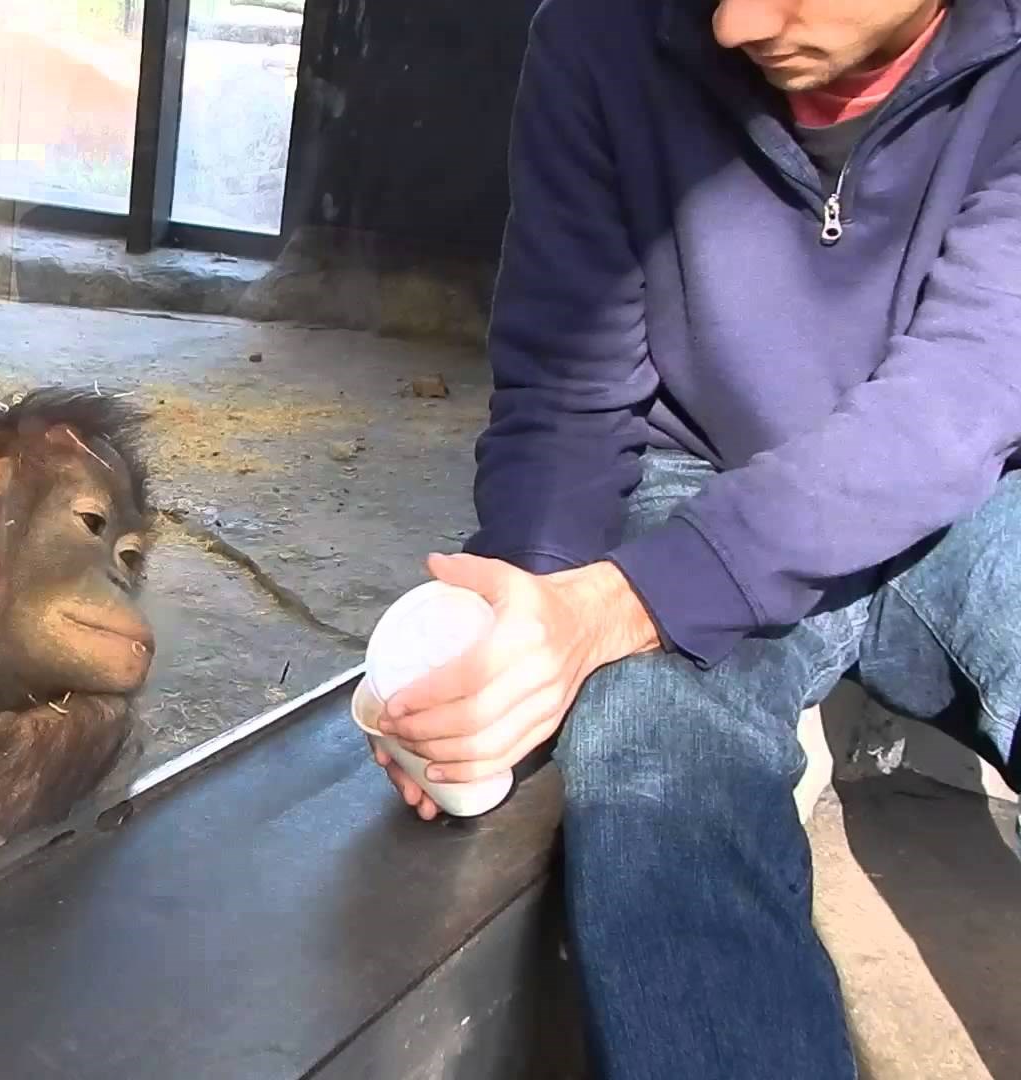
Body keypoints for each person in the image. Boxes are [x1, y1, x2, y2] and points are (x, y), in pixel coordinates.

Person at [351, 0, 1021, 1076]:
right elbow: (570, 394)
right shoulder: (603, 33)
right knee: (649, 755)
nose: (733, 23)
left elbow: (958, 402)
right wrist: (523, 632)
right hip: (701, 474)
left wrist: (627, 603)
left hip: (980, 481)